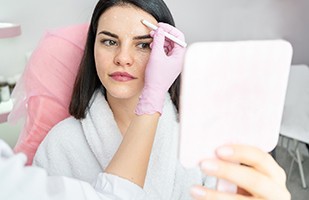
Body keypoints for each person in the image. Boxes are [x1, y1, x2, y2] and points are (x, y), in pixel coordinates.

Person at [31, 0, 291, 199]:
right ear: (93, 50)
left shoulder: (198, 138)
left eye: (143, 45)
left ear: (165, 52)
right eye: (109, 42)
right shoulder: (59, 144)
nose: (123, 57)